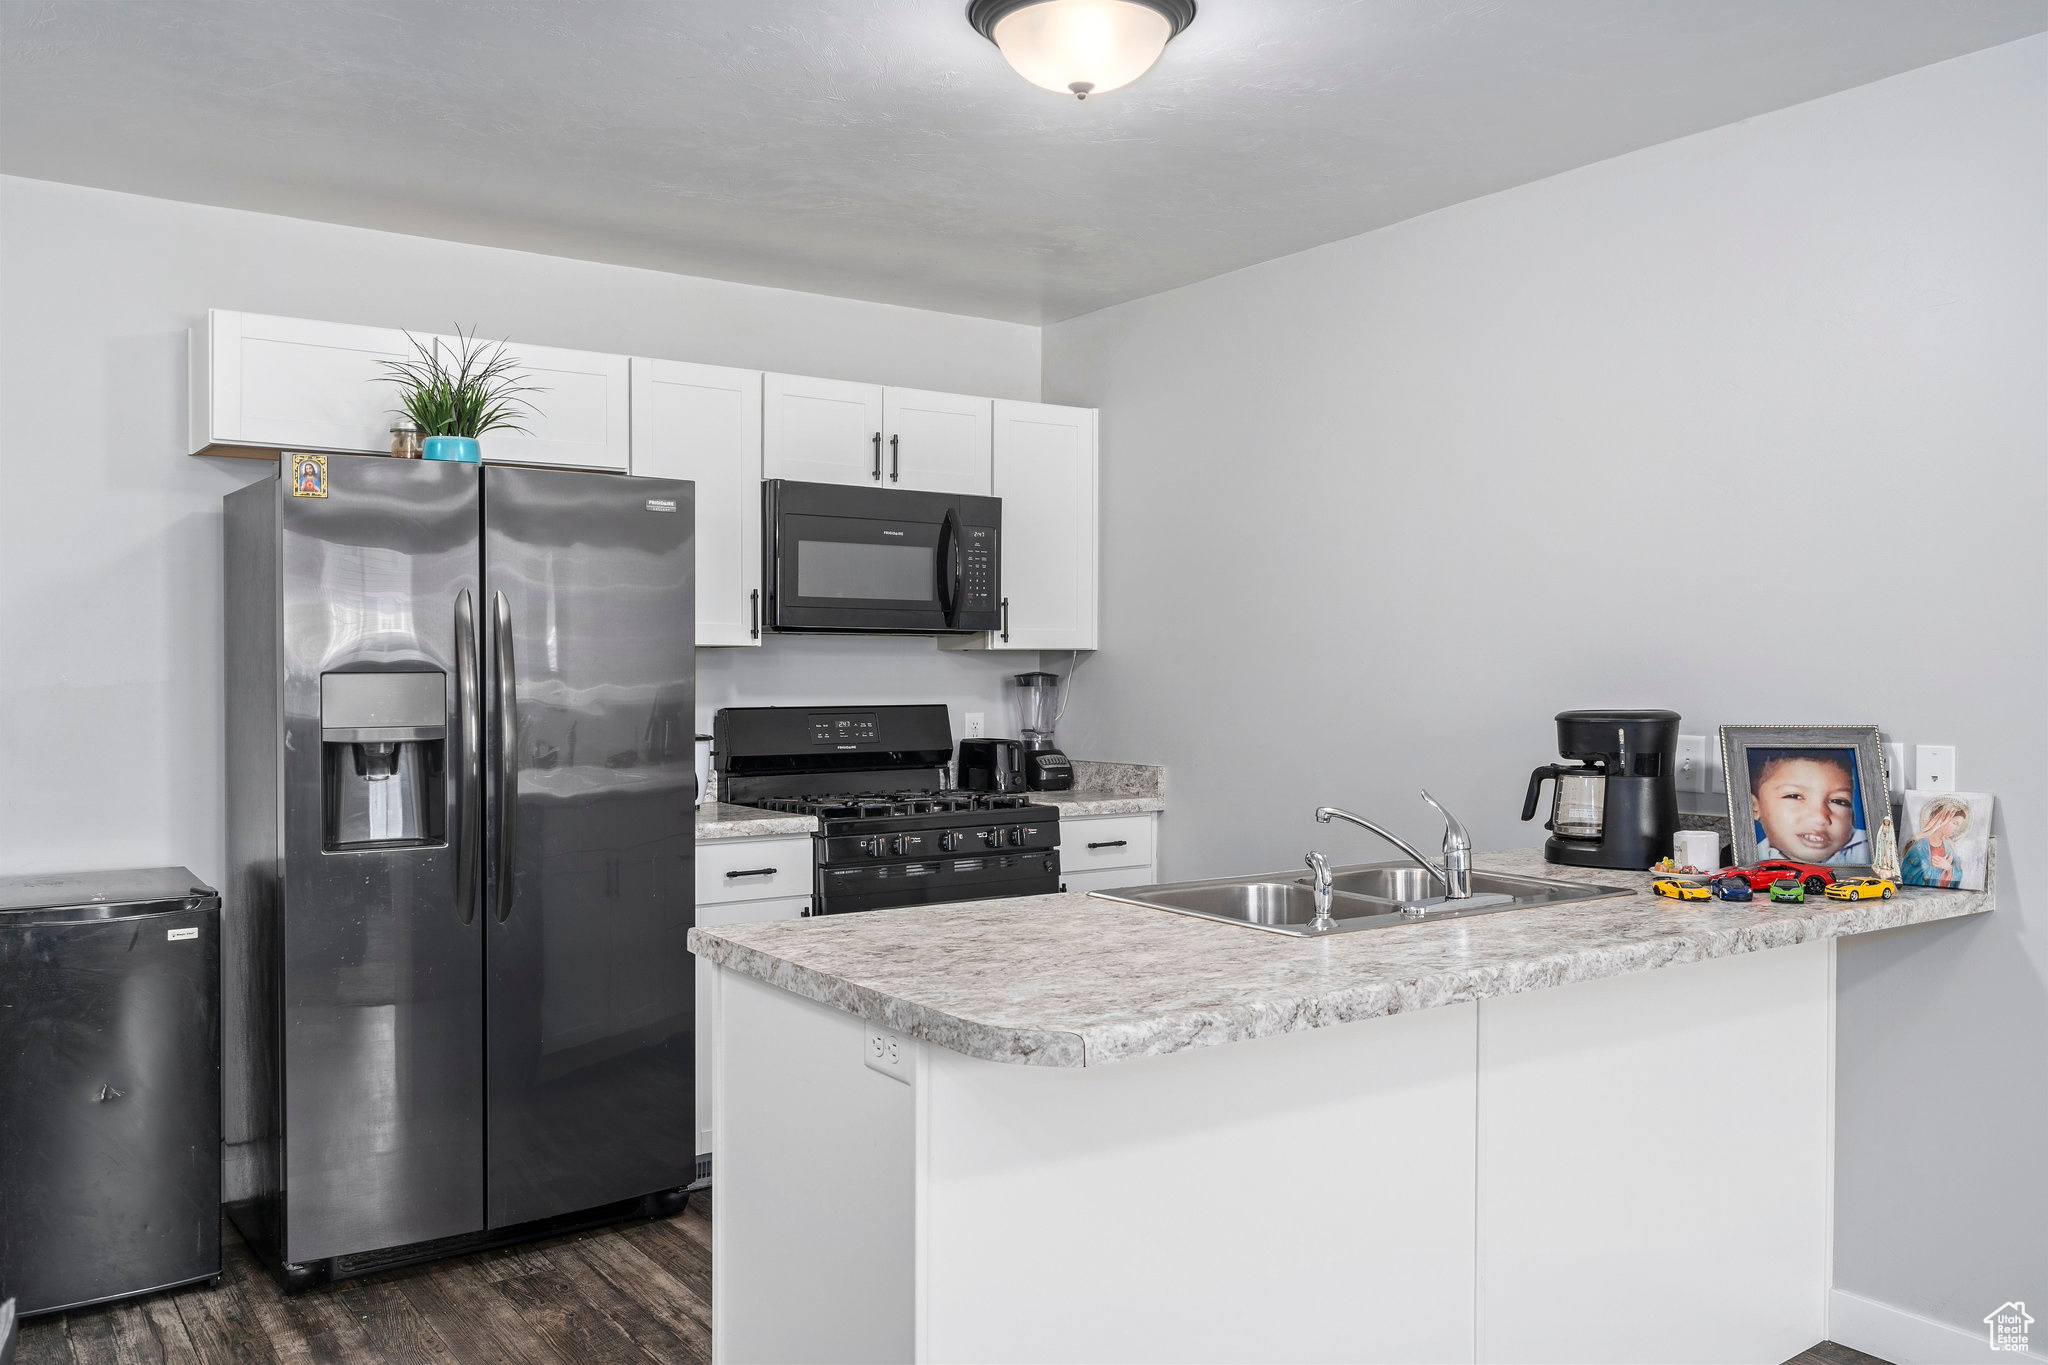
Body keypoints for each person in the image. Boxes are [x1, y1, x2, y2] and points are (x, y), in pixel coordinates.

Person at [1750, 749, 1869, 866]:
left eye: (1838, 801)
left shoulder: (1870, 851)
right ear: (1755, 807)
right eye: (1794, 796)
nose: (1820, 817)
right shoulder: (1749, 860)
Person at [1900, 795, 1973, 888]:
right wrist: (1939, 869)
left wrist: (1949, 868)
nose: (1957, 829)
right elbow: (1910, 876)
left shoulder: (1948, 847)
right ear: (1942, 820)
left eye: (1959, 825)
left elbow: (1958, 873)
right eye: (1955, 823)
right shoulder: (1919, 846)